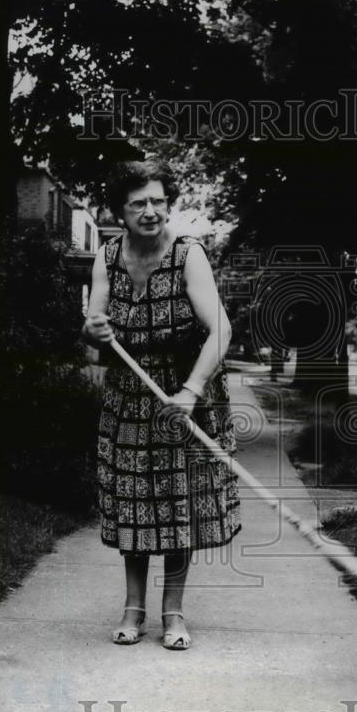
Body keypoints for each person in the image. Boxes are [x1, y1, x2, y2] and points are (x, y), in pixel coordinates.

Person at [82, 160, 241, 650]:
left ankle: (173, 613)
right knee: (134, 501)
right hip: (131, 393)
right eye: (138, 204)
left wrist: (191, 392)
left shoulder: (189, 254)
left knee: (178, 504)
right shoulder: (107, 256)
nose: (150, 212)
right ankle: (133, 609)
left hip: (186, 390)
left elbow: (222, 330)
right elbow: (94, 329)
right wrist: (95, 329)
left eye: (157, 201)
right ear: (120, 212)